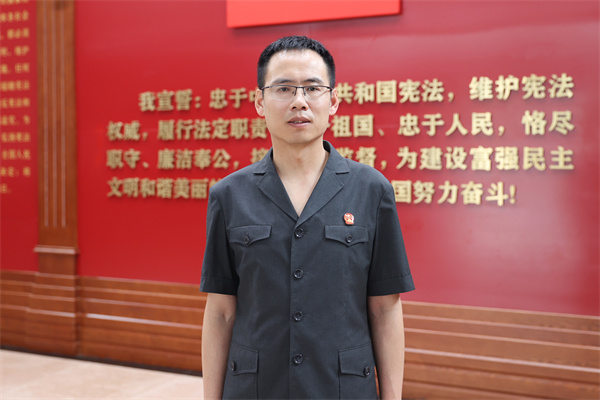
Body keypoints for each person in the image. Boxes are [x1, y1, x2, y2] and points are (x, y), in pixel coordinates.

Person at [200, 35, 414, 400]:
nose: (299, 101)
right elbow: (221, 312)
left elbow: (385, 308)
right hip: (256, 389)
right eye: (283, 88)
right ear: (259, 102)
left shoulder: (371, 189)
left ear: (333, 102)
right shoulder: (229, 194)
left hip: (342, 388)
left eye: (313, 88)